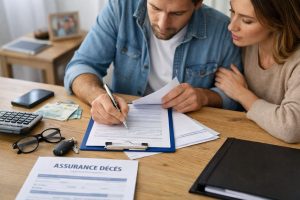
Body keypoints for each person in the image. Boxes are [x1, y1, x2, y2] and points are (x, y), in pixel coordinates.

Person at [64, 0, 242, 126]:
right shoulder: (120, 7)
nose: (163, 24)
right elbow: (81, 66)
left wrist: (204, 97)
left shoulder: (223, 29)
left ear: (197, 4)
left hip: (190, 131)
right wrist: (97, 96)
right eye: (155, 8)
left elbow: (234, 98)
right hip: (125, 125)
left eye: (177, 13)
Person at [215, 0, 300, 143]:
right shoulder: (246, 44)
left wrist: (241, 93)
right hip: (255, 140)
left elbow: (291, 128)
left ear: (278, 21)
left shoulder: (296, 61)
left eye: (247, 21)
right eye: (232, 12)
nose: (231, 26)